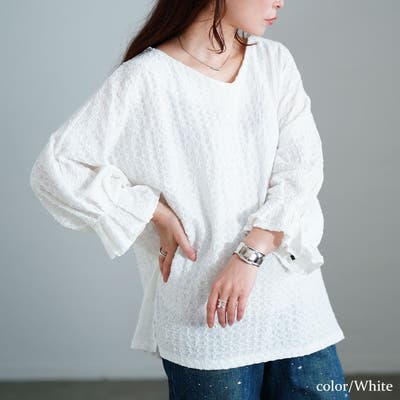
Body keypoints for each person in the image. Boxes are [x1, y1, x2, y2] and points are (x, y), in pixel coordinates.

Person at [30, 0, 350, 398]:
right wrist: (152, 211)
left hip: (294, 304)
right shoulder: (146, 77)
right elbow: (55, 168)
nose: (280, 1)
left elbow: (302, 168)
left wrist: (250, 252)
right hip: (207, 319)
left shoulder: (274, 62)